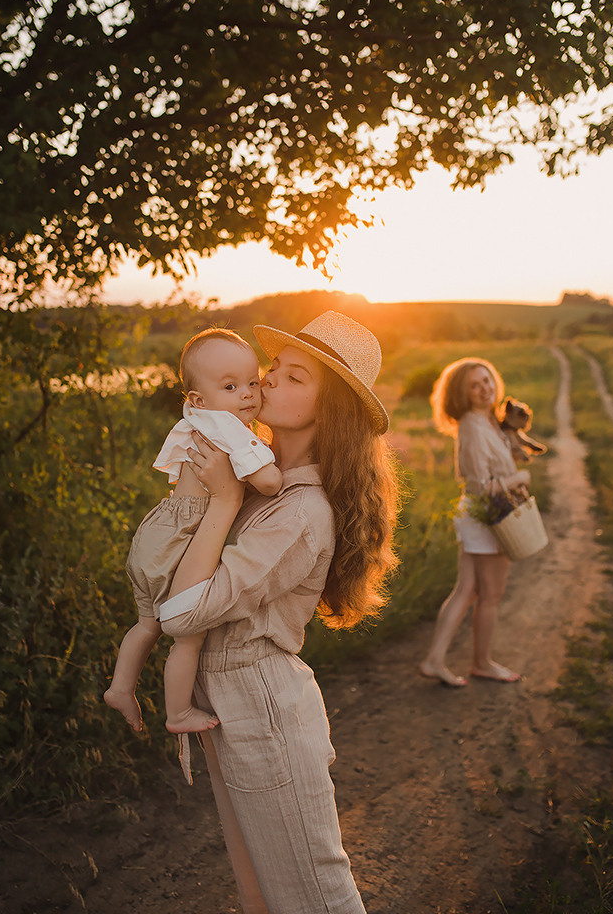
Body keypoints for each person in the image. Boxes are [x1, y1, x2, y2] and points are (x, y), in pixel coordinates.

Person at [157, 310, 399, 914]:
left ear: (330, 410)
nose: (266, 383)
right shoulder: (260, 474)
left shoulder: (302, 512)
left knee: (313, 895)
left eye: (295, 378)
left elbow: (183, 614)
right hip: (230, 698)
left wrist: (224, 501)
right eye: (273, 369)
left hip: (262, 702)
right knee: (259, 895)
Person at [104, 328, 283, 736]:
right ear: (199, 400)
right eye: (231, 386)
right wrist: (281, 470)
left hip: (156, 532)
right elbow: (269, 482)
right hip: (184, 539)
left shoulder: (197, 418)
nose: (247, 394)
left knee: (147, 624)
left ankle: (120, 686)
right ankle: (178, 713)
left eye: (253, 382)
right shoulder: (226, 426)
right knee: (188, 636)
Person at [419, 358, 530, 688]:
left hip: (478, 515)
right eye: (475, 385)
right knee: (490, 595)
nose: (485, 388)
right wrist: (519, 477)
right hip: (488, 515)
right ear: (462, 394)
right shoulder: (472, 424)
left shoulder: (487, 421)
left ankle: (434, 660)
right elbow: (480, 487)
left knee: (466, 590)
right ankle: (482, 663)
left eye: (487, 380)